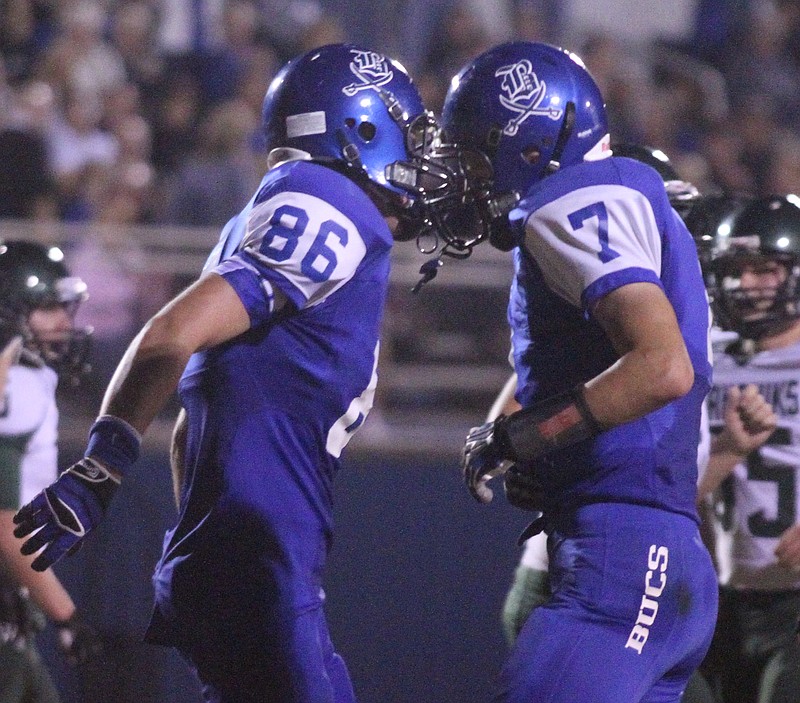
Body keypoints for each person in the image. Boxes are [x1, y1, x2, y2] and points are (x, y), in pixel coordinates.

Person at [12, 43, 456, 703]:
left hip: (243, 556)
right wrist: (100, 468)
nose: (421, 161)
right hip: (261, 557)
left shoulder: (279, 212)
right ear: (358, 131)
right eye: (408, 136)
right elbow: (170, 334)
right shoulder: (328, 200)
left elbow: (196, 415)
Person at [442, 41, 718, 702]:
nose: (469, 179)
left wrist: (522, 437)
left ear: (532, 144)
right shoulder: (602, 197)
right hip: (658, 544)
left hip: (622, 554)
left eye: (477, 155)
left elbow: (661, 366)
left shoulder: (574, 198)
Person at [697, 194, 800, 703]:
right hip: (720, 601)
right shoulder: (700, 358)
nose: (749, 284)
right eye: (738, 270)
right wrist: (728, 449)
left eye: (767, 269)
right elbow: (677, 487)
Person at [0, 240, 99, 702]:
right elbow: (2, 517)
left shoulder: (28, 379)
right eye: (48, 308)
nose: (65, 322)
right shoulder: (17, 386)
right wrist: (66, 616)